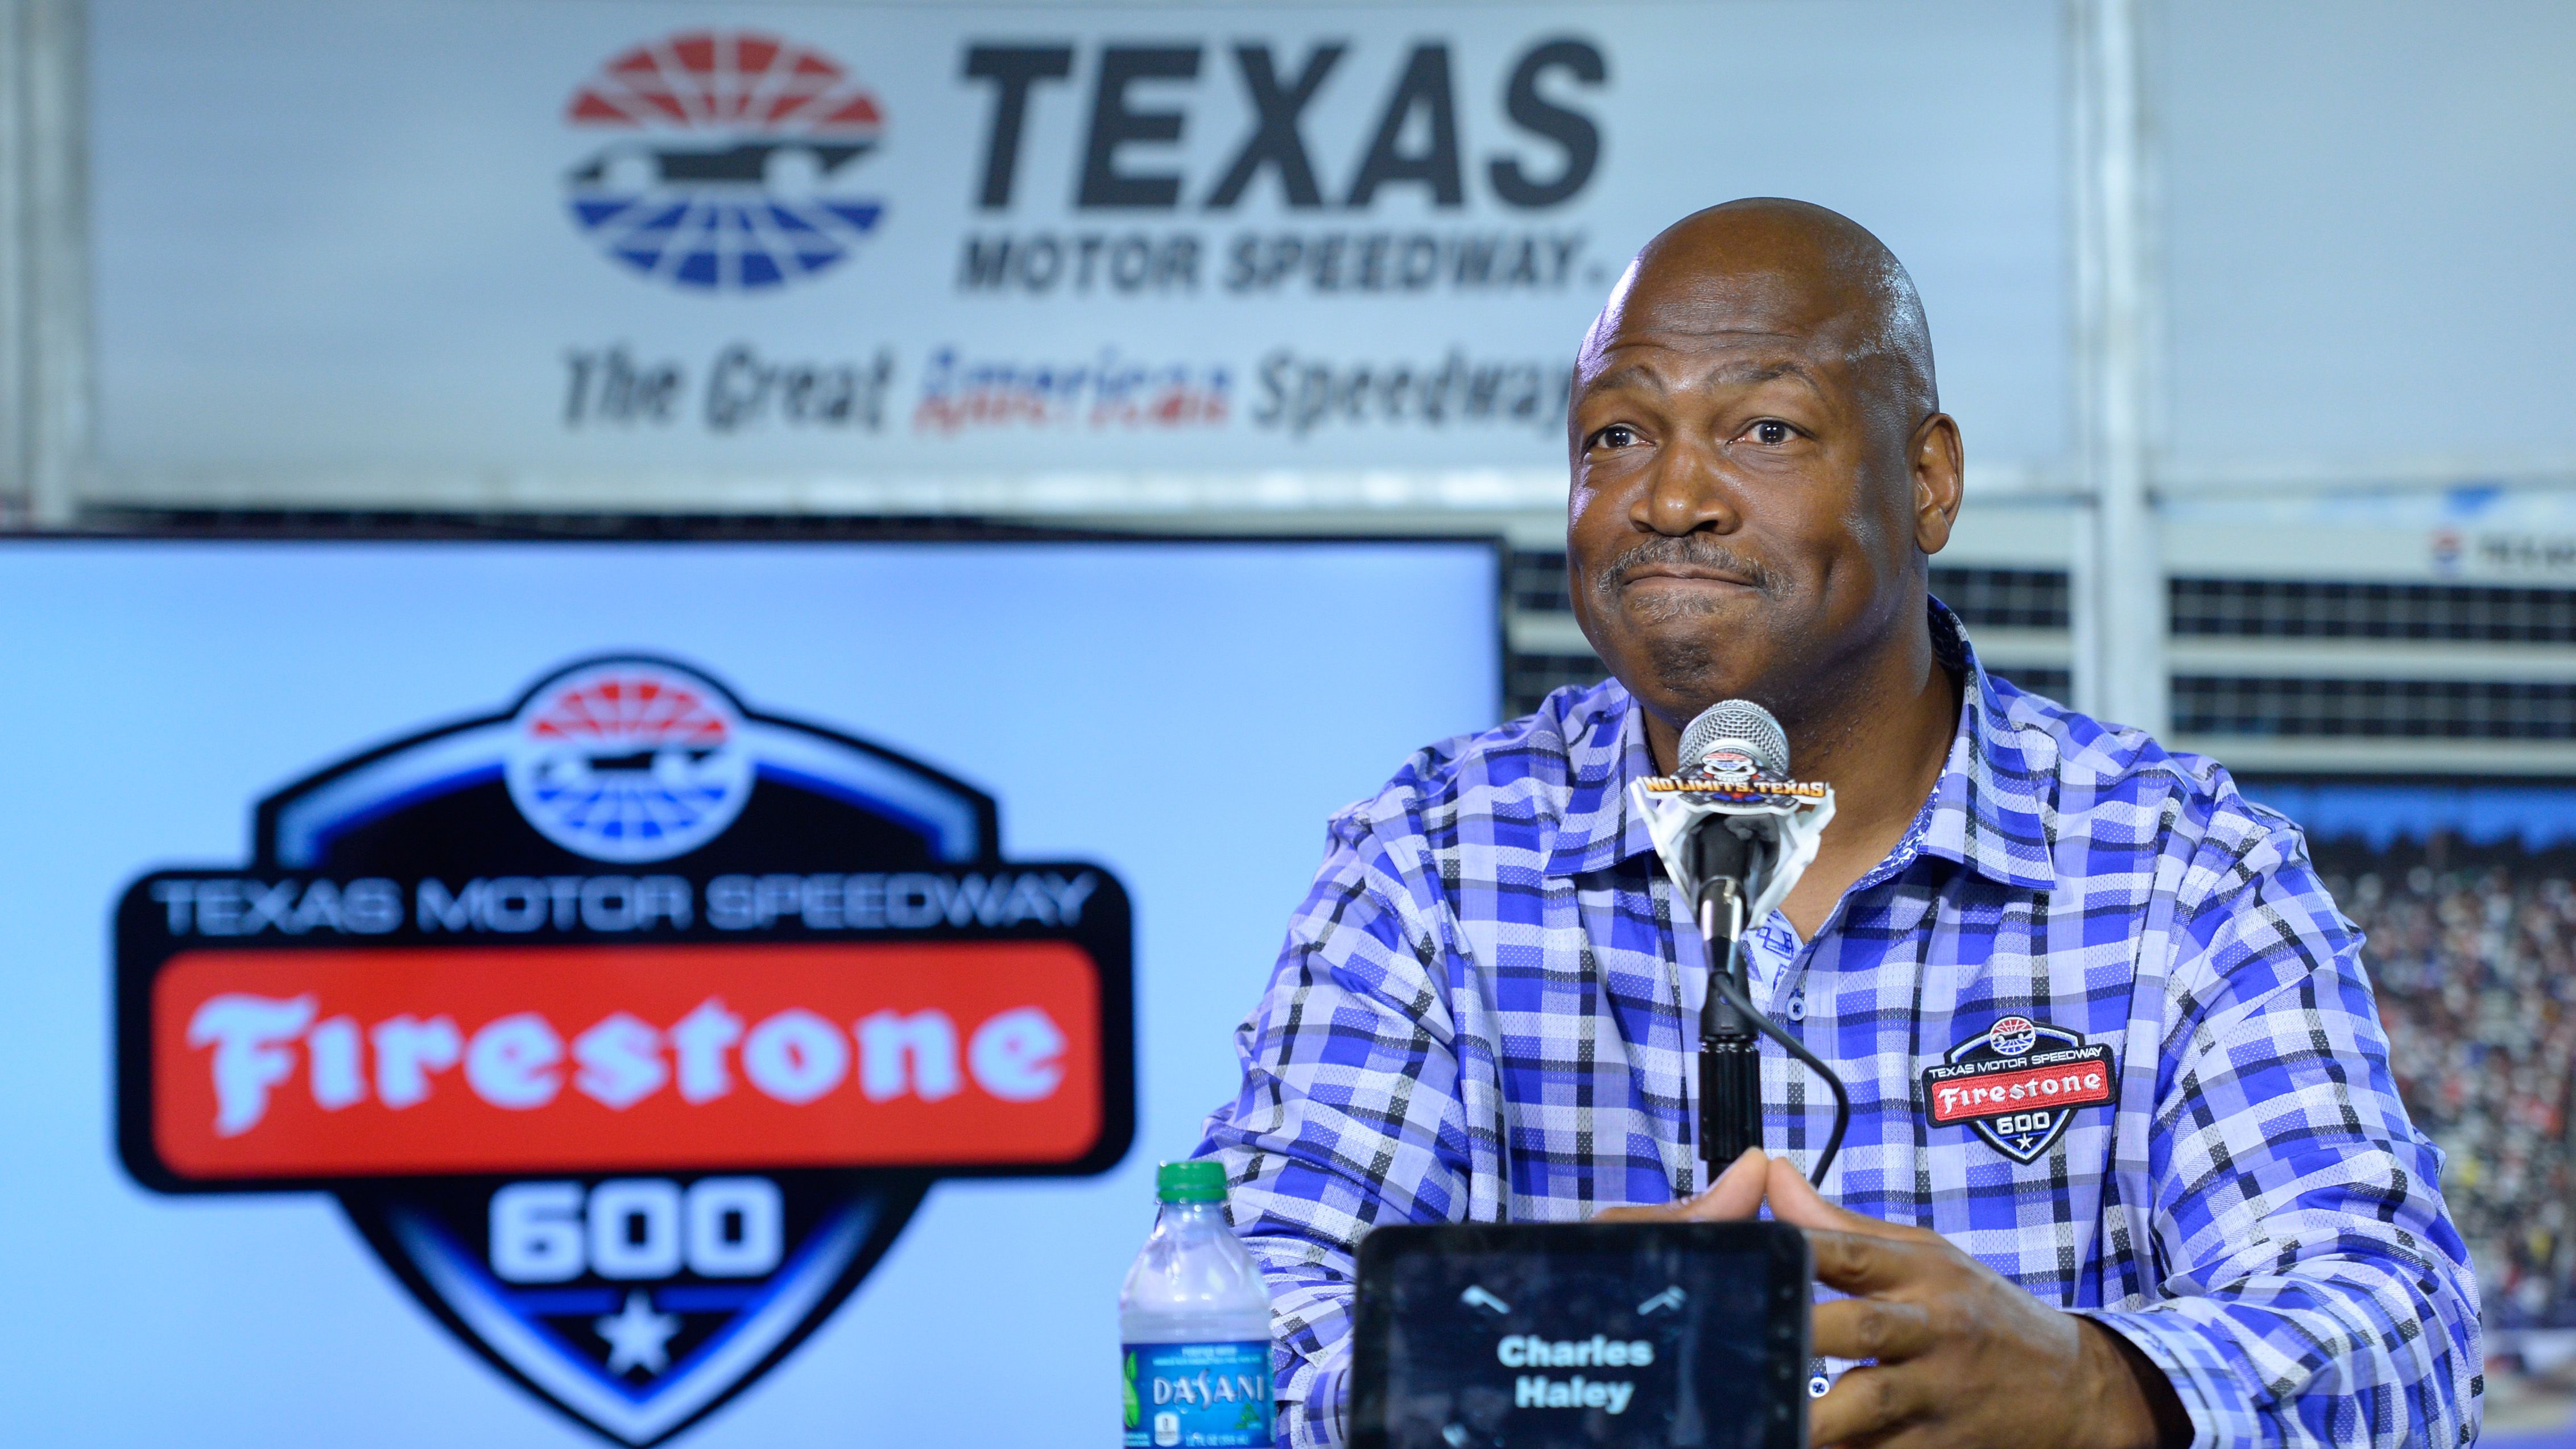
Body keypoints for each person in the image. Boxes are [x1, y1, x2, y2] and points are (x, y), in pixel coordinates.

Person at [1198, 198, 2480, 1448]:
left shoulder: (2179, 871)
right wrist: (1517, 1350)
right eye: (1616, 435)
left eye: (1764, 428)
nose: (1671, 497)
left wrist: (2096, 1389)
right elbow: (1228, 1349)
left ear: (1928, 482)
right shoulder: (1432, 861)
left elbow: (2400, 1338)